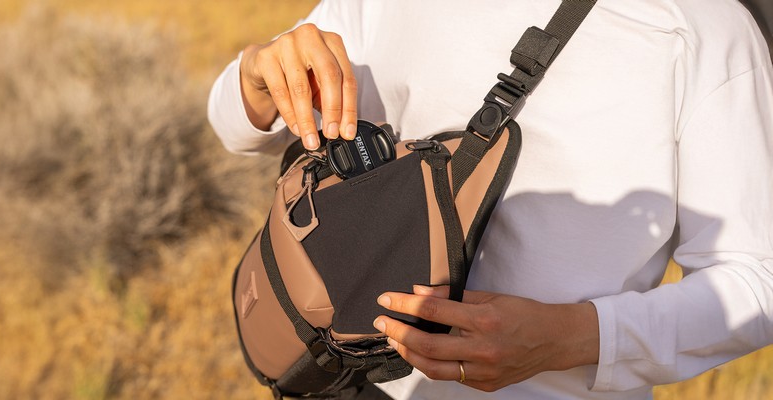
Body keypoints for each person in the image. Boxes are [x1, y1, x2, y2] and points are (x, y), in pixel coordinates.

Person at [208, 0, 773, 399]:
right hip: (351, 380)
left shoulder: (705, 28)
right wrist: (258, 75)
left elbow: (755, 278)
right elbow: (235, 125)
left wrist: (573, 337)